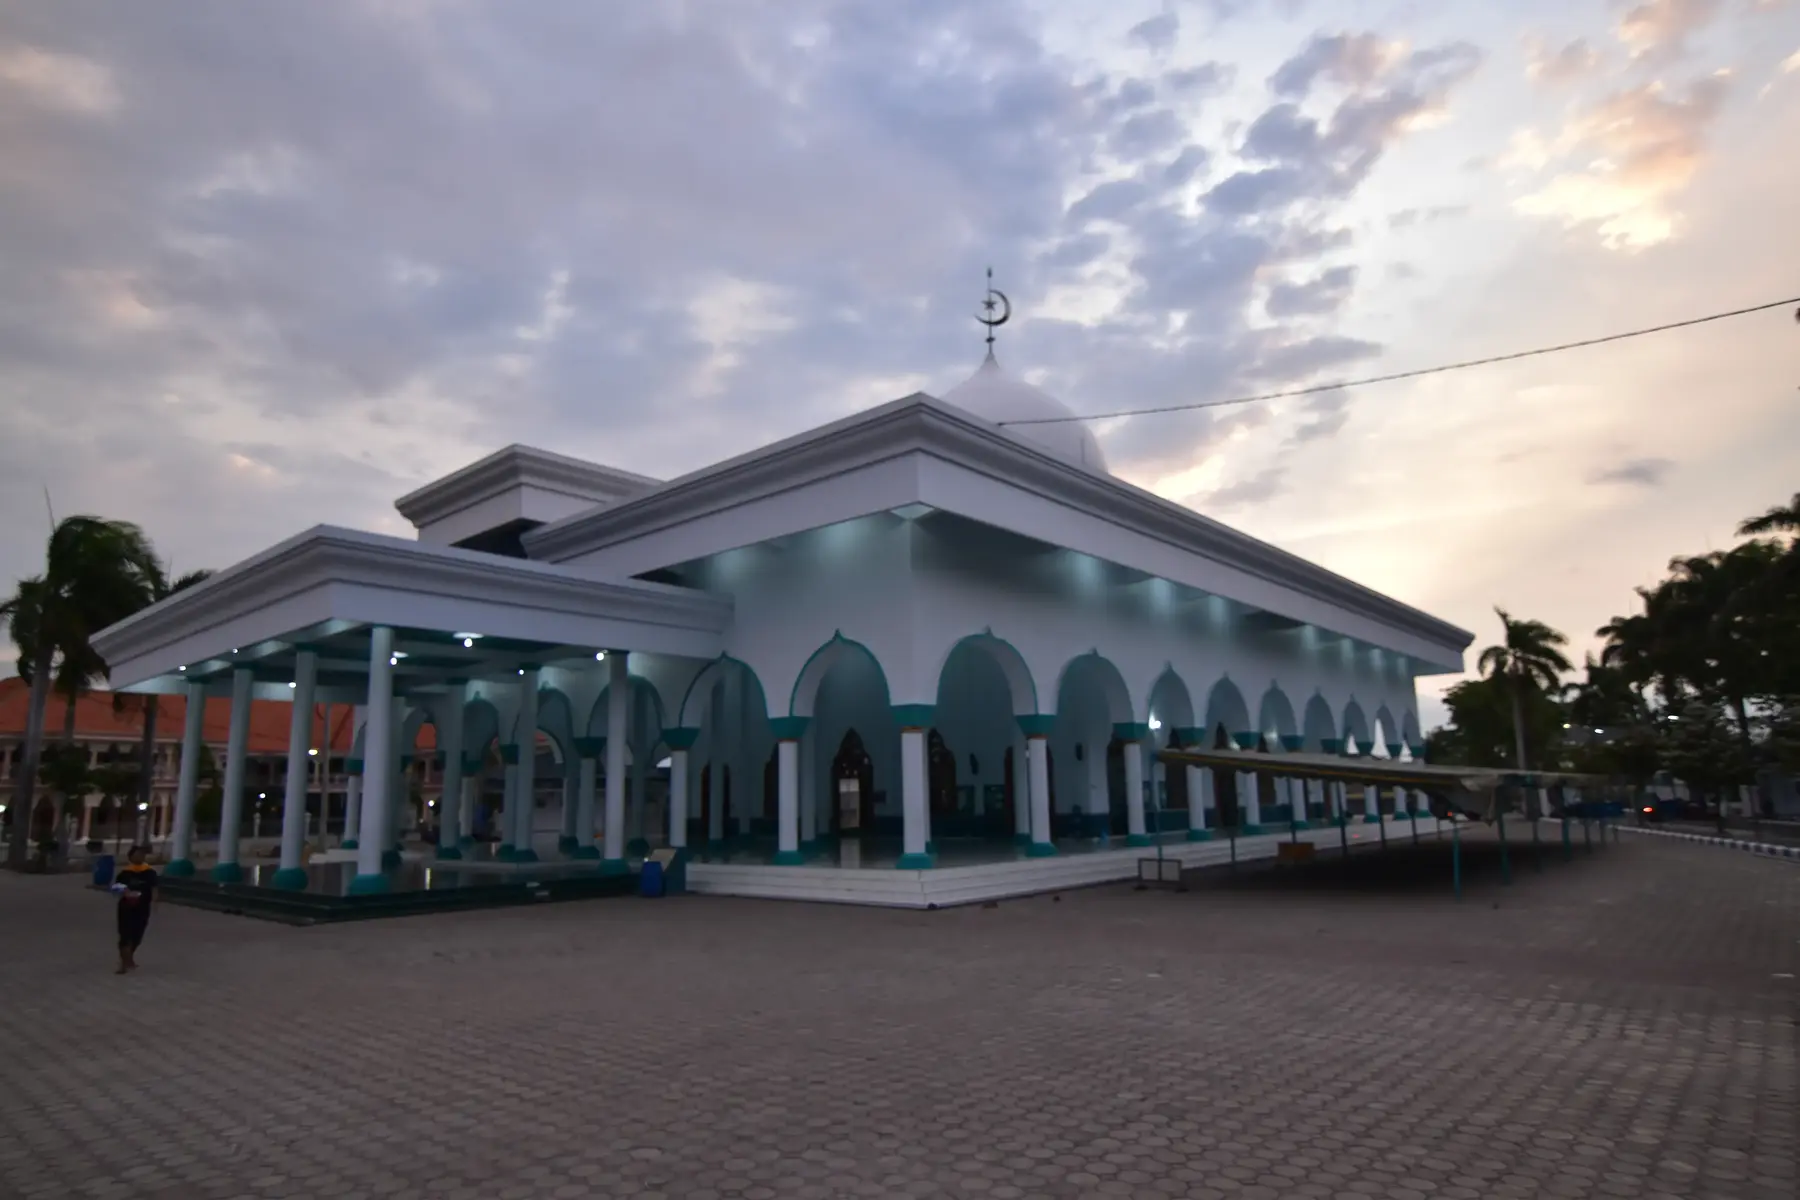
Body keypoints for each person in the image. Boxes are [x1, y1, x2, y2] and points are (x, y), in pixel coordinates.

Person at [110, 845, 158, 974]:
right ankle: (123, 963)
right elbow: (115, 889)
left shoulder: (149, 872)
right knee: (125, 935)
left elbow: (154, 888)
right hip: (126, 908)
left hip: (142, 908)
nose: (139, 857)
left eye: (141, 855)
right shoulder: (124, 873)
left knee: (137, 935)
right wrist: (125, 892)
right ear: (130, 857)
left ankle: (129, 957)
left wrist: (154, 902)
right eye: (136, 854)